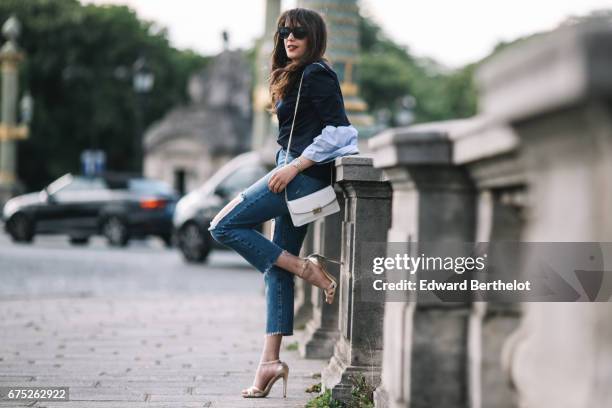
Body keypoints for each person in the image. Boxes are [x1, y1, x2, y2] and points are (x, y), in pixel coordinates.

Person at [207, 7, 359, 399]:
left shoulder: (317, 73)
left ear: (314, 39)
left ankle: (306, 268)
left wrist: (295, 168)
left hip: (298, 178)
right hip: (289, 170)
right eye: (285, 32)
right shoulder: (294, 75)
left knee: (223, 225)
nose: (289, 38)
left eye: (299, 33)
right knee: (276, 268)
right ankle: (269, 363)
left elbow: (342, 131)